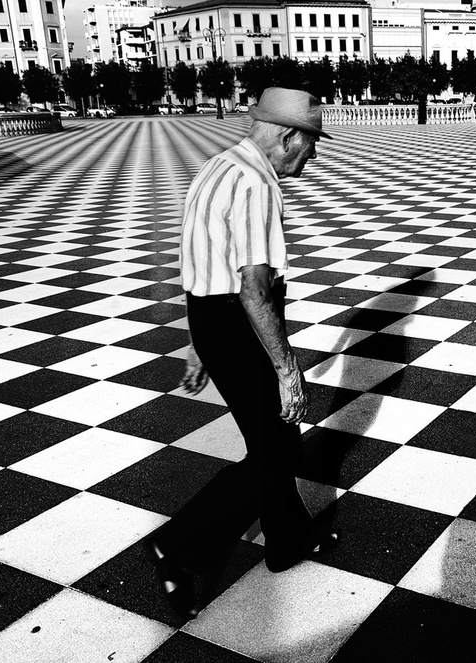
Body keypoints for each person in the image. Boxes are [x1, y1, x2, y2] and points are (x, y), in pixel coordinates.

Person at [146, 87, 337, 620]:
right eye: (312, 143)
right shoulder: (257, 183)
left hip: (211, 320)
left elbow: (199, 262)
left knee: (269, 441)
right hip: (239, 324)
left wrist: (197, 343)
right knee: (280, 450)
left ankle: (289, 538)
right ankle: (177, 546)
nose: (312, 155)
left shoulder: (216, 167)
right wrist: (287, 369)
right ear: (289, 136)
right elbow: (254, 289)